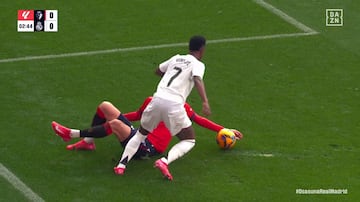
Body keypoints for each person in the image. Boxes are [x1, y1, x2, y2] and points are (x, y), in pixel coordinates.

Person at [114, 35, 211, 180]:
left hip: (157, 99)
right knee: (189, 140)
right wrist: (205, 101)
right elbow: (197, 79)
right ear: (202, 49)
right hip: (174, 104)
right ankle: (164, 161)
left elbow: (158, 70)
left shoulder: (176, 58)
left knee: (141, 134)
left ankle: (121, 165)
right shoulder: (198, 64)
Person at [51, 97, 243, 159]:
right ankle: (88, 142)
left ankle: (71, 133)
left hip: (148, 148)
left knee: (115, 124)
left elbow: (199, 120)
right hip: (138, 136)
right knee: (105, 107)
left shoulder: (180, 106)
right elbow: (136, 115)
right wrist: (117, 116)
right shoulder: (152, 100)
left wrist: (223, 129)